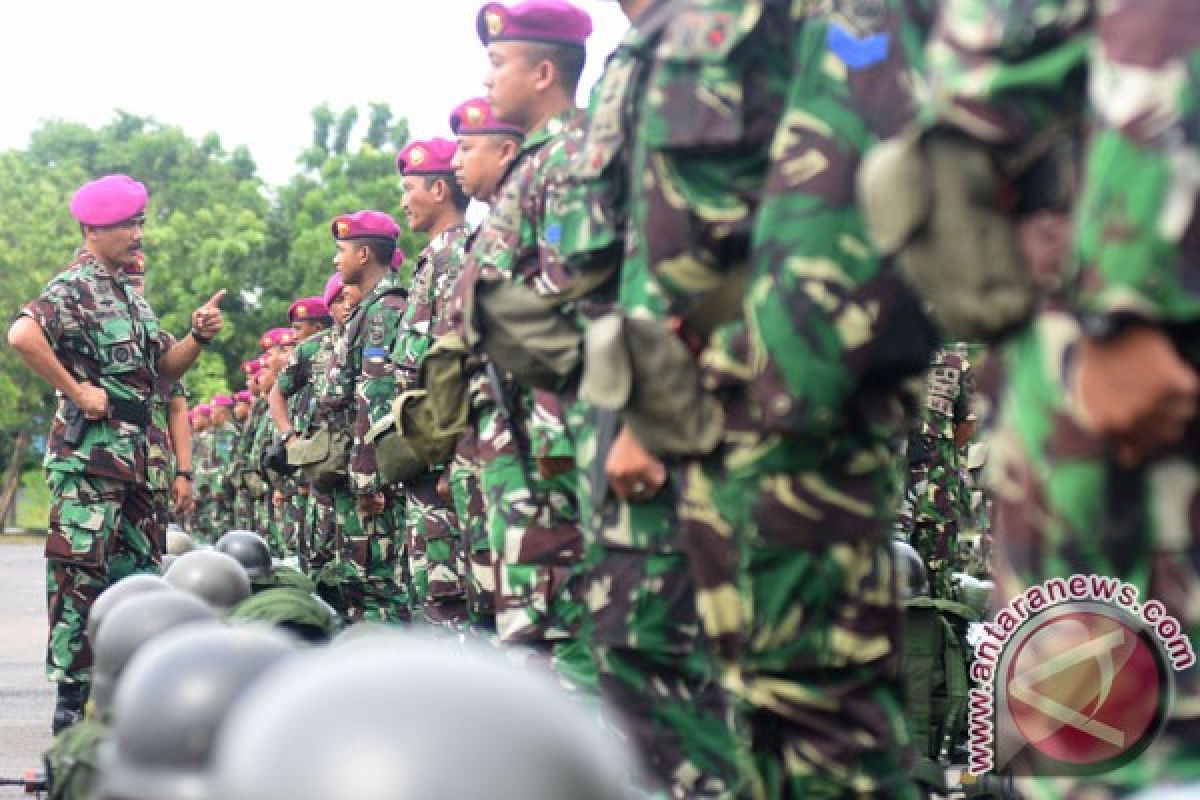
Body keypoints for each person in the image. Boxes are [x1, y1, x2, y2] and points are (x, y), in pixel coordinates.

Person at [915, 1, 1200, 793]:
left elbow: (1156, 29)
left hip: (1120, 367)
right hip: (1065, 357)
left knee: (1124, 737)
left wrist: (1124, 304)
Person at [552, 0, 740, 793]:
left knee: (665, 659)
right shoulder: (647, 48)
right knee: (643, 654)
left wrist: (647, 419)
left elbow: (699, 246)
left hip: (684, 414)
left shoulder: (712, 36)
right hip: (646, 406)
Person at [7, 174, 225, 733]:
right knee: (80, 575)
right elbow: (23, 336)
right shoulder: (73, 287)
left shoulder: (132, 295)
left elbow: (164, 374)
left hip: (137, 463)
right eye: (127, 224)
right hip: (89, 464)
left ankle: (125, 688)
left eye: (139, 222)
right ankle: (70, 699)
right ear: (92, 230)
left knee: (137, 576)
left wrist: (197, 337)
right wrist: (76, 390)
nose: (137, 233)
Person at [455, 0, 596, 690]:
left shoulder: (570, 160)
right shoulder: (535, 167)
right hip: (518, 440)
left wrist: (557, 439)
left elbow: (577, 307)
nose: (487, 81)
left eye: (498, 63)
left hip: (553, 444)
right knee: (531, 628)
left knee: (566, 627)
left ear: (543, 72)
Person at [392, 137, 472, 626]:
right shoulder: (432, 260)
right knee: (432, 589)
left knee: (451, 596)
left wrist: (453, 458)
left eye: (410, 188)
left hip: (446, 460)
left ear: (439, 189)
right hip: (426, 459)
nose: (403, 201)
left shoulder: (457, 257)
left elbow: (456, 364)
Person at [325, 210, 411, 622]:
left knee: (379, 581)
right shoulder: (369, 311)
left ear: (363, 255)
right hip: (362, 469)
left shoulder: (384, 311)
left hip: (374, 474)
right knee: (359, 580)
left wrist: (366, 478)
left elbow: (374, 398)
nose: (335, 261)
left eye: (341, 251)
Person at [269, 296, 332, 568]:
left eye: (299, 329)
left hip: (326, 471)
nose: (295, 338)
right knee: (308, 554)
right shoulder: (306, 363)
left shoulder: (325, 357)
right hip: (305, 475)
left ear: (317, 328)